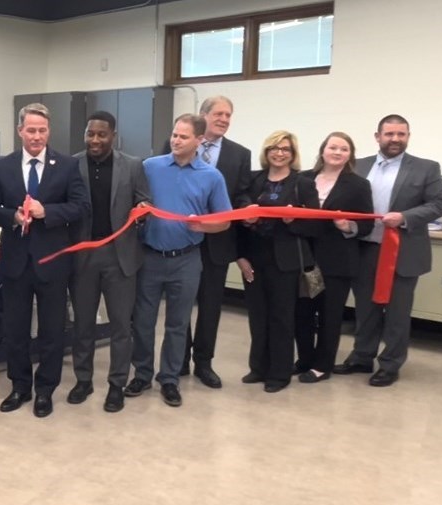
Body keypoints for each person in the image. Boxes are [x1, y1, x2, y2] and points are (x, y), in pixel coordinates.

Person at [0, 102, 90, 418]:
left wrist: (49, 212)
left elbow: (81, 206)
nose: (37, 136)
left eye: (42, 130)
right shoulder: (3, 166)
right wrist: (13, 216)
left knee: (52, 331)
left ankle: (45, 390)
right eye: (31, 130)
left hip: (53, 262)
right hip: (15, 261)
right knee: (15, 329)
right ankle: (20, 387)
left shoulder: (67, 166)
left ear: (48, 132)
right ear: (20, 131)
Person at [336, 115, 442, 387]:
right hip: (363, 249)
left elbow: (439, 204)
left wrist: (405, 217)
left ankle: (390, 364)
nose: (395, 139)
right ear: (377, 137)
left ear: (408, 136)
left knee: (397, 312)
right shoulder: (357, 165)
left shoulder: (426, 168)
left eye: (401, 134)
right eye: (389, 134)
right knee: (365, 309)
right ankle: (361, 357)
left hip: (403, 251)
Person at [128, 115, 231, 408]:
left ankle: (169, 379)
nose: (176, 141)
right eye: (174, 135)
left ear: (200, 140)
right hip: (149, 256)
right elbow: (132, 201)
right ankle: (142, 374)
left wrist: (205, 226)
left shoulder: (212, 176)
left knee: (178, 323)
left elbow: (223, 221)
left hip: (186, 260)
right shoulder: (150, 167)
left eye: (184, 137)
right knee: (144, 321)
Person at [66, 111, 151, 413]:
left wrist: (143, 207)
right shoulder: (72, 164)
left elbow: (144, 200)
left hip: (120, 257)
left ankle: (117, 384)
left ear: (114, 136)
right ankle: (83, 380)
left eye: (102, 134)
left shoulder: (133, 165)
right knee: (83, 325)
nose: (95, 140)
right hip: (83, 258)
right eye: (90, 134)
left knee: (120, 327)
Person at [235, 131, 318, 393]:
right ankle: (258, 367)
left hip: (286, 261)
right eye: (274, 147)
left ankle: (279, 373)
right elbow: (240, 213)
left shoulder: (302, 183)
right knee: (257, 316)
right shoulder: (254, 179)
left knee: (281, 317)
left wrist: (295, 221)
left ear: (293, 155)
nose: (279, 153)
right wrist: (241, 256)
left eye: (285, 149)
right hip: (254, 258)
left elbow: (315, 224)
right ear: (266, 151)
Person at [179, 96, 252, 389]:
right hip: (182, 239)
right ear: (203, 116)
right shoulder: (180, 143)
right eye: (219, 114)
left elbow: (242, 193)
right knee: (180, 303)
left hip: (218, 242)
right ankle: (179, 358)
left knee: (210, 306)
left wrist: (248, 209)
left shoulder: (240, 154)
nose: (224, 119)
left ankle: (204, 363)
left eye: (229, 115)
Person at [296, 132, 374, 383]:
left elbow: (366, 225)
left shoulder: (359, 185)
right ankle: (305, 359)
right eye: (333, 147)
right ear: (323, 150)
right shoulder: (302, 179)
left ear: (350, 155)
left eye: (344, 149)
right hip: (304, 257)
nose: (337, 152)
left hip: (338, 261)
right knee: (303, 313)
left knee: (329, 316)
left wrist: (347, 226)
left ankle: (322, 365)